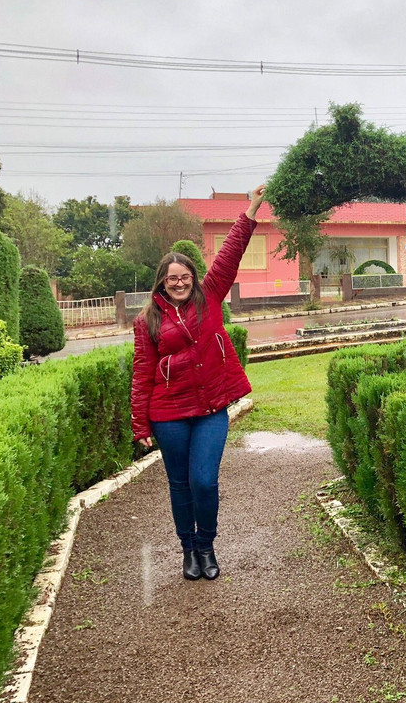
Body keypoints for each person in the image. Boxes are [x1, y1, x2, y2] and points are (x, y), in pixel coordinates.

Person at [131, 185, 266, 581]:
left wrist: (251, 209)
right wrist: (140, 424)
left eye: (185, 276)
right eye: (172, 278)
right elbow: (142, 373)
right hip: (169, 414)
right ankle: (189, 551)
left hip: (210, 410)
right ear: (162, 282)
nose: (180, 282)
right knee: (180, 485)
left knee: (204, 481)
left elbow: (229, 255)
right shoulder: (147, 321)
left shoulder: (208, 297)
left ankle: (207, 544)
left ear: (193, 278)